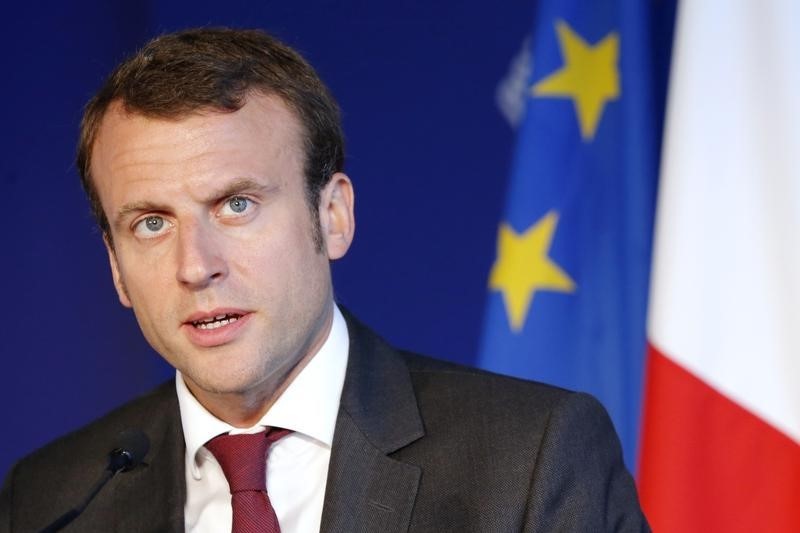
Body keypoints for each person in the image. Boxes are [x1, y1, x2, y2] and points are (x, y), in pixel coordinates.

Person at [0, 27, 649, 532]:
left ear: (332, 216)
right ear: (115, 267)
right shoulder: (51, 498)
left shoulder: (530, 458)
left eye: (237, 204)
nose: (195, 265)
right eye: (149, 223)